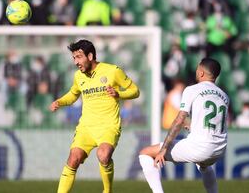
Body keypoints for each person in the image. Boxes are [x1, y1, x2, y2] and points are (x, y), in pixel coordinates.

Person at [49, 39, 140, 193]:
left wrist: (119, 94)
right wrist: (60, 101)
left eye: (79, 57)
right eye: (74, 58)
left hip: (108, 126)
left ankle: (107, 190)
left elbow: (135, 91)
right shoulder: (79, 76)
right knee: (73, 158)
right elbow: (73, 94)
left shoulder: (113, 71)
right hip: (86, 127)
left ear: (90, 56)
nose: (76, 62)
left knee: (103, 155)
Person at [139, 58, 229, 193]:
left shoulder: (192, 89)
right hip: (219, 149)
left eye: (198, 69)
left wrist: (164, 149)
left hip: (200, 147)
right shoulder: (224, 95)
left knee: (146, 153)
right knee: (204, 165)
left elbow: (180, 119)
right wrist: (194, 126)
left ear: (201, 73)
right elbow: (213, 122)